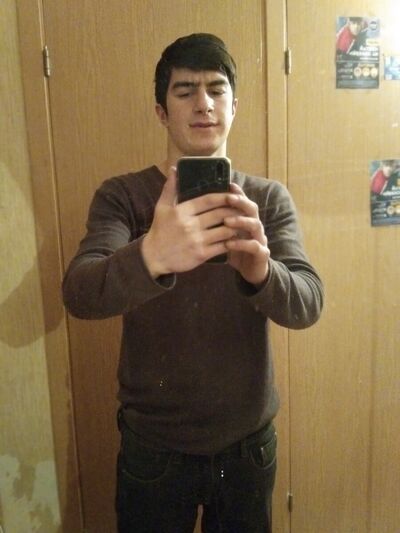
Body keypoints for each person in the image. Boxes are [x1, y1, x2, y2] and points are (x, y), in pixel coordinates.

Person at [63, 33, 324, 533]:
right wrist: (152, 255)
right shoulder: (124, 197)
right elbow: (79, 293)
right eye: (185, 91)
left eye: (216, 89)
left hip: (247, 445)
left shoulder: (267, 199)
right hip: (153, 446)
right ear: (161, 112)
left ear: (234, 106)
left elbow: (309, 303)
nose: (203, 103)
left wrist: (261, 272)